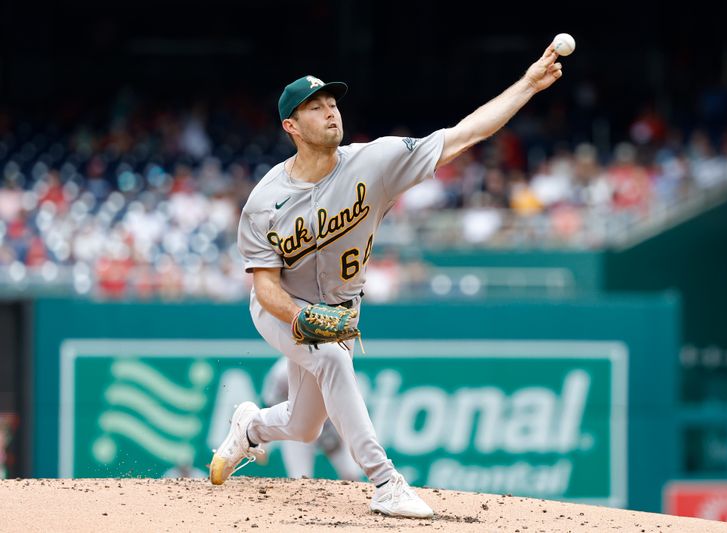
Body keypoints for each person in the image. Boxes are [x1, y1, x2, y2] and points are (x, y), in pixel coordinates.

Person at [209, 42, 564, 518]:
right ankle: (385, 482)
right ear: (290, 126)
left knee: (304, 424)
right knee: (331, 356)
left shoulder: (374, 162)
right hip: (282, 308)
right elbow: (265, 288)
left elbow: (462, 135)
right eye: (314, 108)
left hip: (341, 310)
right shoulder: (264, 201)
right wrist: (303, 317)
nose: (330, 112)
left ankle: (250, 427)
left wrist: (528, 83)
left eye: (333, 103)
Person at [262, 357, 363, 481]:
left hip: (330, 427)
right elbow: (270, 404)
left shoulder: (331, 362)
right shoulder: (282, 371)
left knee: (351, 475)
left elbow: (349, 405)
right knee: (300, 479)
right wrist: (264, 442)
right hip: (298, 430)